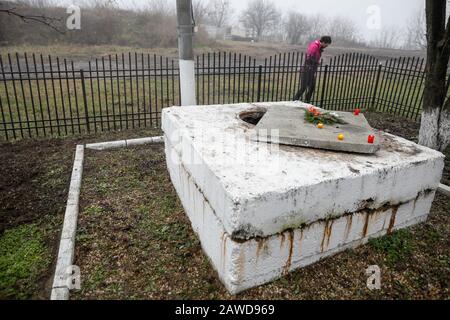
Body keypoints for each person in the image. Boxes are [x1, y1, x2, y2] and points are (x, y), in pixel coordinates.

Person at [294, 36, 332, 102]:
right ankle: (294, 100)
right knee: (303, 88)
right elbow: (309, 57)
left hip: (311, 70)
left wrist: (316, 63)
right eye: (326, 44)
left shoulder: (319, 47)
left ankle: (307, 102)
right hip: (307, 69)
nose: (326, 46)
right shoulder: (314, 46)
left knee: (311, 87)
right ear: (323, 42)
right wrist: (317, 63)